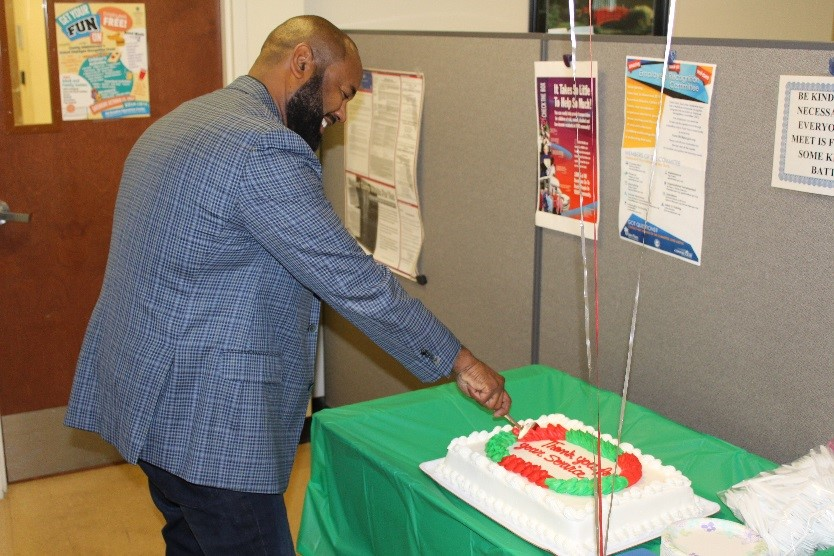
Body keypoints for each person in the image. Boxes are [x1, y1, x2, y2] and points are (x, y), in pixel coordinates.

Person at [64, 15, 511, 555]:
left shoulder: (183, 121)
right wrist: (460, 361)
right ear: (302, 63)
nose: (341, 113)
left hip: (148, 407)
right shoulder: (263, 149)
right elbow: (353, 282)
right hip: (210, 430)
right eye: (343, 93)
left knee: (190, 544)